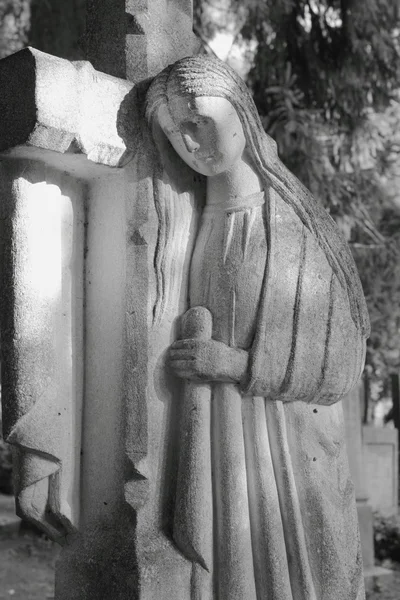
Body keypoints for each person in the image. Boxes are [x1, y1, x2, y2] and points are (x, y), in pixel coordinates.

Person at [146, 55, 369, 600]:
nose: (190, 141)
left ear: (241, 112)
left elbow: (342, 361)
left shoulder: (293, 222)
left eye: (199, 119)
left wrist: (238, 364)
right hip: (227, 448)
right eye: (174, 133)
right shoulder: (193, 221)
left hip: (295, 458)